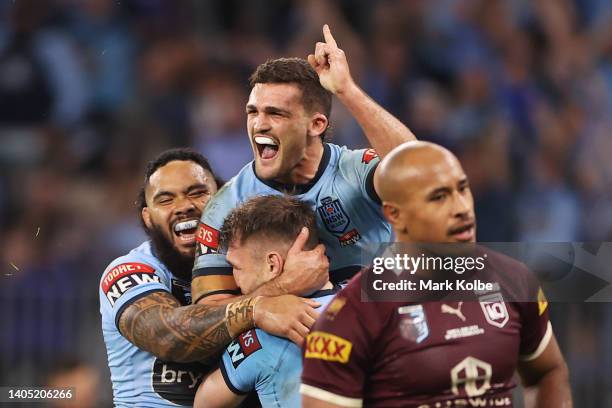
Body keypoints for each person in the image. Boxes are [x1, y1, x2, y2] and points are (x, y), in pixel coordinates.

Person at [301, 141, 572, 407]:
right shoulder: (352, 315)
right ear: (396, 215)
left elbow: (547, 373)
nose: (461, 208)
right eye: (439, 197)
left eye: (463, 189)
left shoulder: (513, 280)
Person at [192, 24, 417, 305]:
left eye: (275, 113)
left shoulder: (354, 171)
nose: (259, 124)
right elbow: (205, 315)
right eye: (253, 112)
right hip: (286, 346)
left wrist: (347, 91)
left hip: (383, 329)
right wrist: (284, 286)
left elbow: (417, 171)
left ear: (317, 124)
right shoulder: (225, 206)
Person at [99, 148, 320, 406]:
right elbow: (167, 335)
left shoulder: (245, 266)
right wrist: (267, 299)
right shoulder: (129, 270)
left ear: (222, 201)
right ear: (147, 218)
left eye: (198, 193)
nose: (183, 207)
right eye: (166, 200)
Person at [193, 195, 341, 408]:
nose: (233, 278)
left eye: (237, 267)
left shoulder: (263, 338)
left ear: (272, 265)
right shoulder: (375, 307)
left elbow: (204, 403)